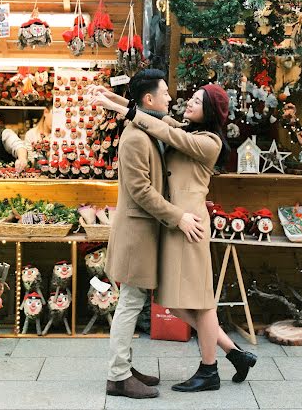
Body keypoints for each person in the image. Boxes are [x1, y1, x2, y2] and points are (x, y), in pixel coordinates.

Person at [90, 82, 257, 393]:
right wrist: (111, 97)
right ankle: (235, 353)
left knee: (201, 302)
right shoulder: (186, 129)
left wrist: (120, 108)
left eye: (196, 100)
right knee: (176, 302)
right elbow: (153, 115)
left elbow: (165, 131)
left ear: (210, 110)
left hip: (189, 224)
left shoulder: (208, 142)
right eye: (189, 98)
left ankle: (209, 370)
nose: (186, 103)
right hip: (173, 225)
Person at [90, 69, 203, 400]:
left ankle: (124, 365)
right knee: (130, 302)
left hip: (144, 232)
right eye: (165, 93)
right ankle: (118, 375)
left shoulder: (149, 125)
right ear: (149, 99)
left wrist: (113, 99)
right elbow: (141, 191)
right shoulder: (136, 137)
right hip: (136, 233)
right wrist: (178, 216)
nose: (171, 97)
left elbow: (162, 124)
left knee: (134, 300)